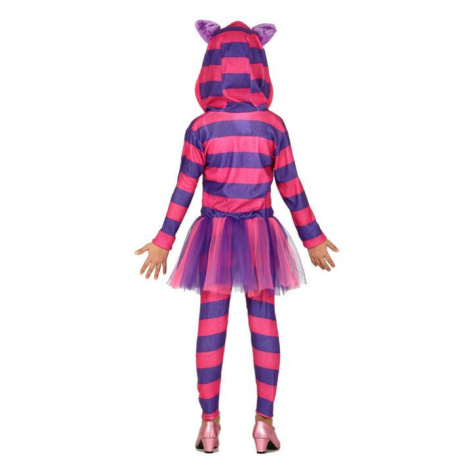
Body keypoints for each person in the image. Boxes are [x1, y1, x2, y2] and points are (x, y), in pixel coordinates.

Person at [135, 19, 339, 453]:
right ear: (258, 66)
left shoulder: (201, 128)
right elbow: (292, 187)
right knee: (263, 322)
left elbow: (183, 190)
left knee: (211, 323)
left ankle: (209, 425)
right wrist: (312, 237)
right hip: (260, 236)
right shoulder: (272, 125)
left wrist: (164, 241)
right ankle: (264, 424)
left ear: (211, 67)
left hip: (213, 237)